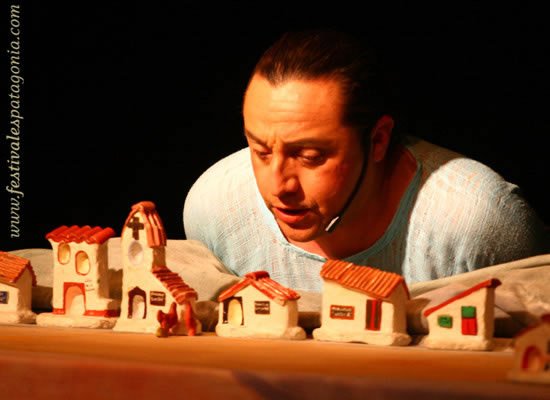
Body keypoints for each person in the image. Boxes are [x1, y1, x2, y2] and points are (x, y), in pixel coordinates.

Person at [183, 29, 547, 293]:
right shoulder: (216, 209)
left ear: (378, 140)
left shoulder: (475, 223)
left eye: (310, 157)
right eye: (260, 151)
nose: (278, 185)